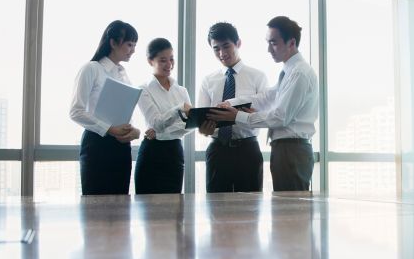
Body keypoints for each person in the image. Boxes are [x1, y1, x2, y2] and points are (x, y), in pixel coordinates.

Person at [208, 16, 318, 191]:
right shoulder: (290, 71)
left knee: (290, 213)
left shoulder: (299, 73)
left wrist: (237, 116)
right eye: (268, 42)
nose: (269, 49)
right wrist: (230, 103)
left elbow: (281, 117)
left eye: (273, 43)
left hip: (292, 149)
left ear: (291, 42)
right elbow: (267, 97)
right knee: (284, 211)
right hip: (285, 149)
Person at [70, 20, 141, 195]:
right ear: (113, 43)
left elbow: (126, 114)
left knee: (121, 206)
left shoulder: (123, 75)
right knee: (95, 206)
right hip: (97, 146)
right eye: (129, 44)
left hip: (121, 146)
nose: (133, 50)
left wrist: (134, 131)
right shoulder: (91, 69)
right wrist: (110, 129)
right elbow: (76, 111)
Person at [198, 22, 268, 193]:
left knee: (250, 208)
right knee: (216, 208)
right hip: (217, 150)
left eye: (226, 46)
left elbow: (264, 115)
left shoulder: (257, 77)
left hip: (247, 150)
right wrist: (204, 128)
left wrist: (242, 113)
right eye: (216, 49)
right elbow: (201, 120)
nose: (222, 53)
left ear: (238, 43)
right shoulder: (208, 81)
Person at [136, 38, 192, 194]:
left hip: (174, 152)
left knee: (174, 211)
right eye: (163, 60)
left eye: (171, 59)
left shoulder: (181, 91)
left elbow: (190, 125)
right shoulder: (143, 90)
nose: (169, 64)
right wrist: (179, 109)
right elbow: (156, 122)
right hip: (151, 153)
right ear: (150, 61)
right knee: (146, 208)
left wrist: (161, 132)